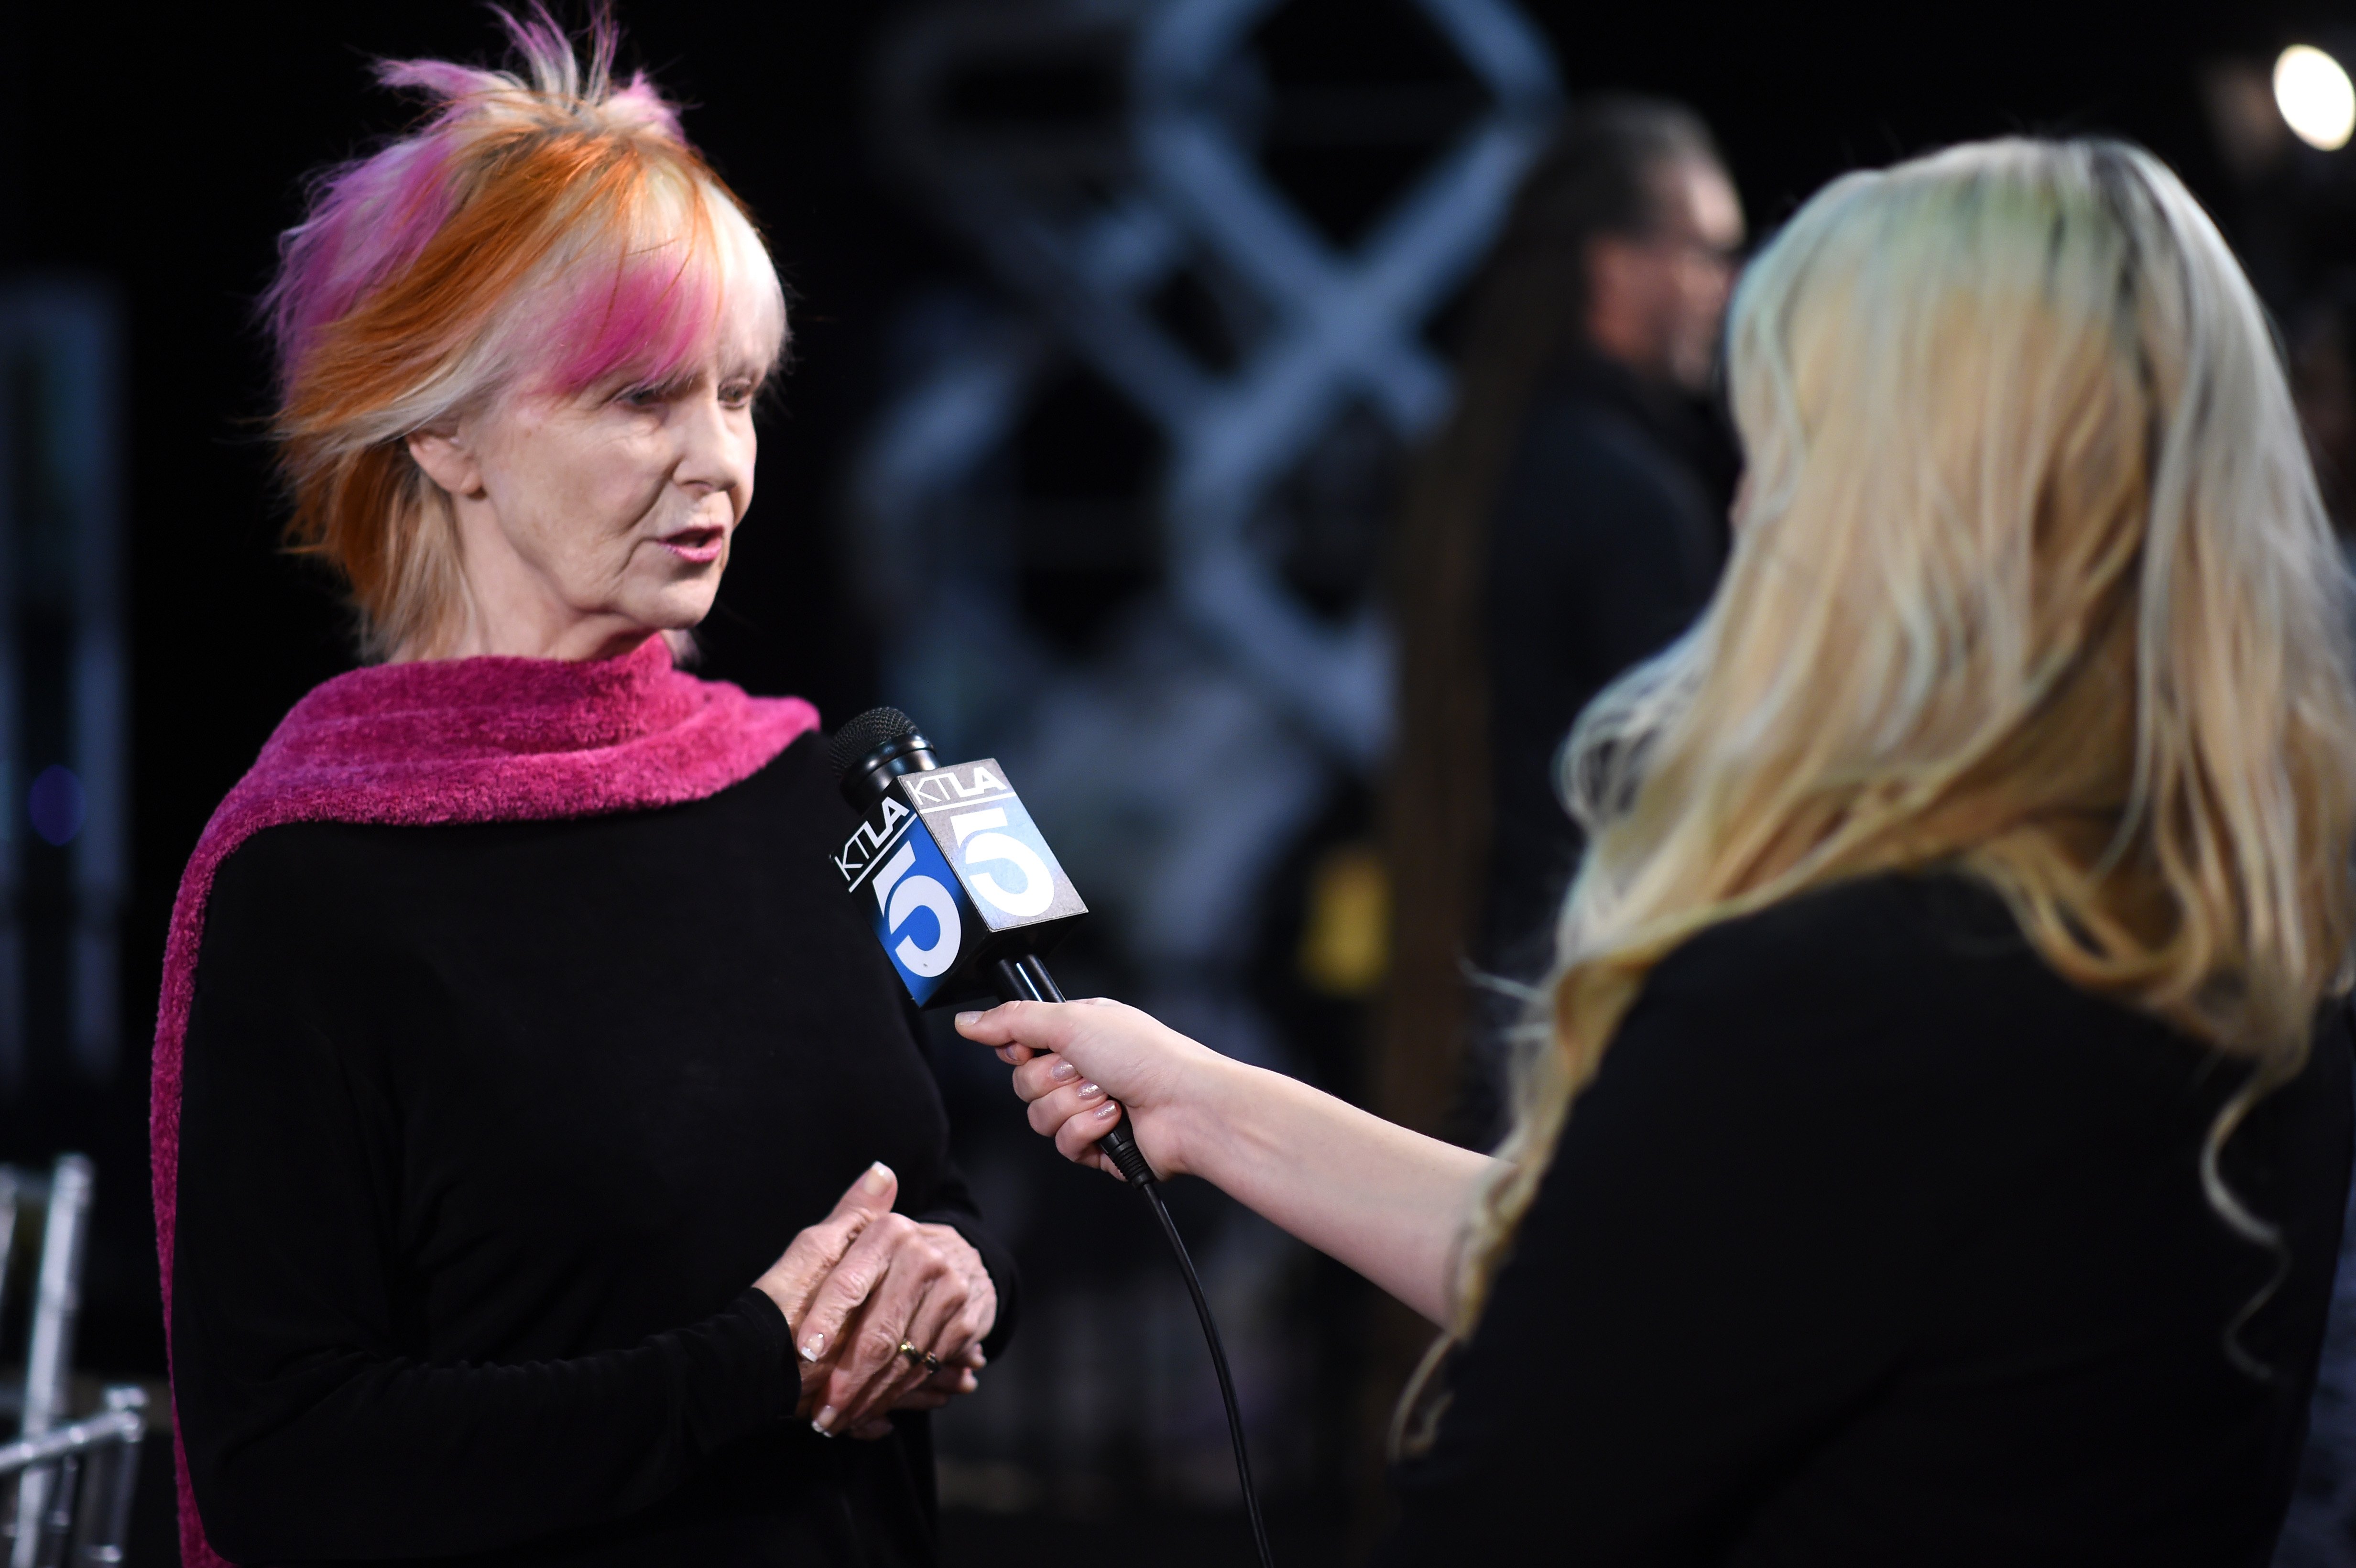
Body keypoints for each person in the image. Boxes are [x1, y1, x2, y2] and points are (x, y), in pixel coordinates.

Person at [960, 138, 2356, 1564]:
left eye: (1789, 445)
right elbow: (1654, 1273)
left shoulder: (1841, 987)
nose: (1745, 509)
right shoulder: (2247, 941)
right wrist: (1211, 1110)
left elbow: (1524, 1467)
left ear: (1924, 511)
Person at [155, 15, 1011, 1565]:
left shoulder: (798, 789)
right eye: (638, 401)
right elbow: (285, 1464)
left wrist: (959, 1282)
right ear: (440, 428)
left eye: (736, 394)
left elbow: (925, 1193)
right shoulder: (313, 878)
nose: (718, 465)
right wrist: (751, 1370)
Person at [1383, 96, 1746, 1149]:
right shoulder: (1629, 497)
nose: (1726, 288)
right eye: (1707, 251)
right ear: (1614, 264)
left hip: (1468, 995)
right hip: (1582, 1018)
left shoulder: (1464, 466)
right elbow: (1671, 798)